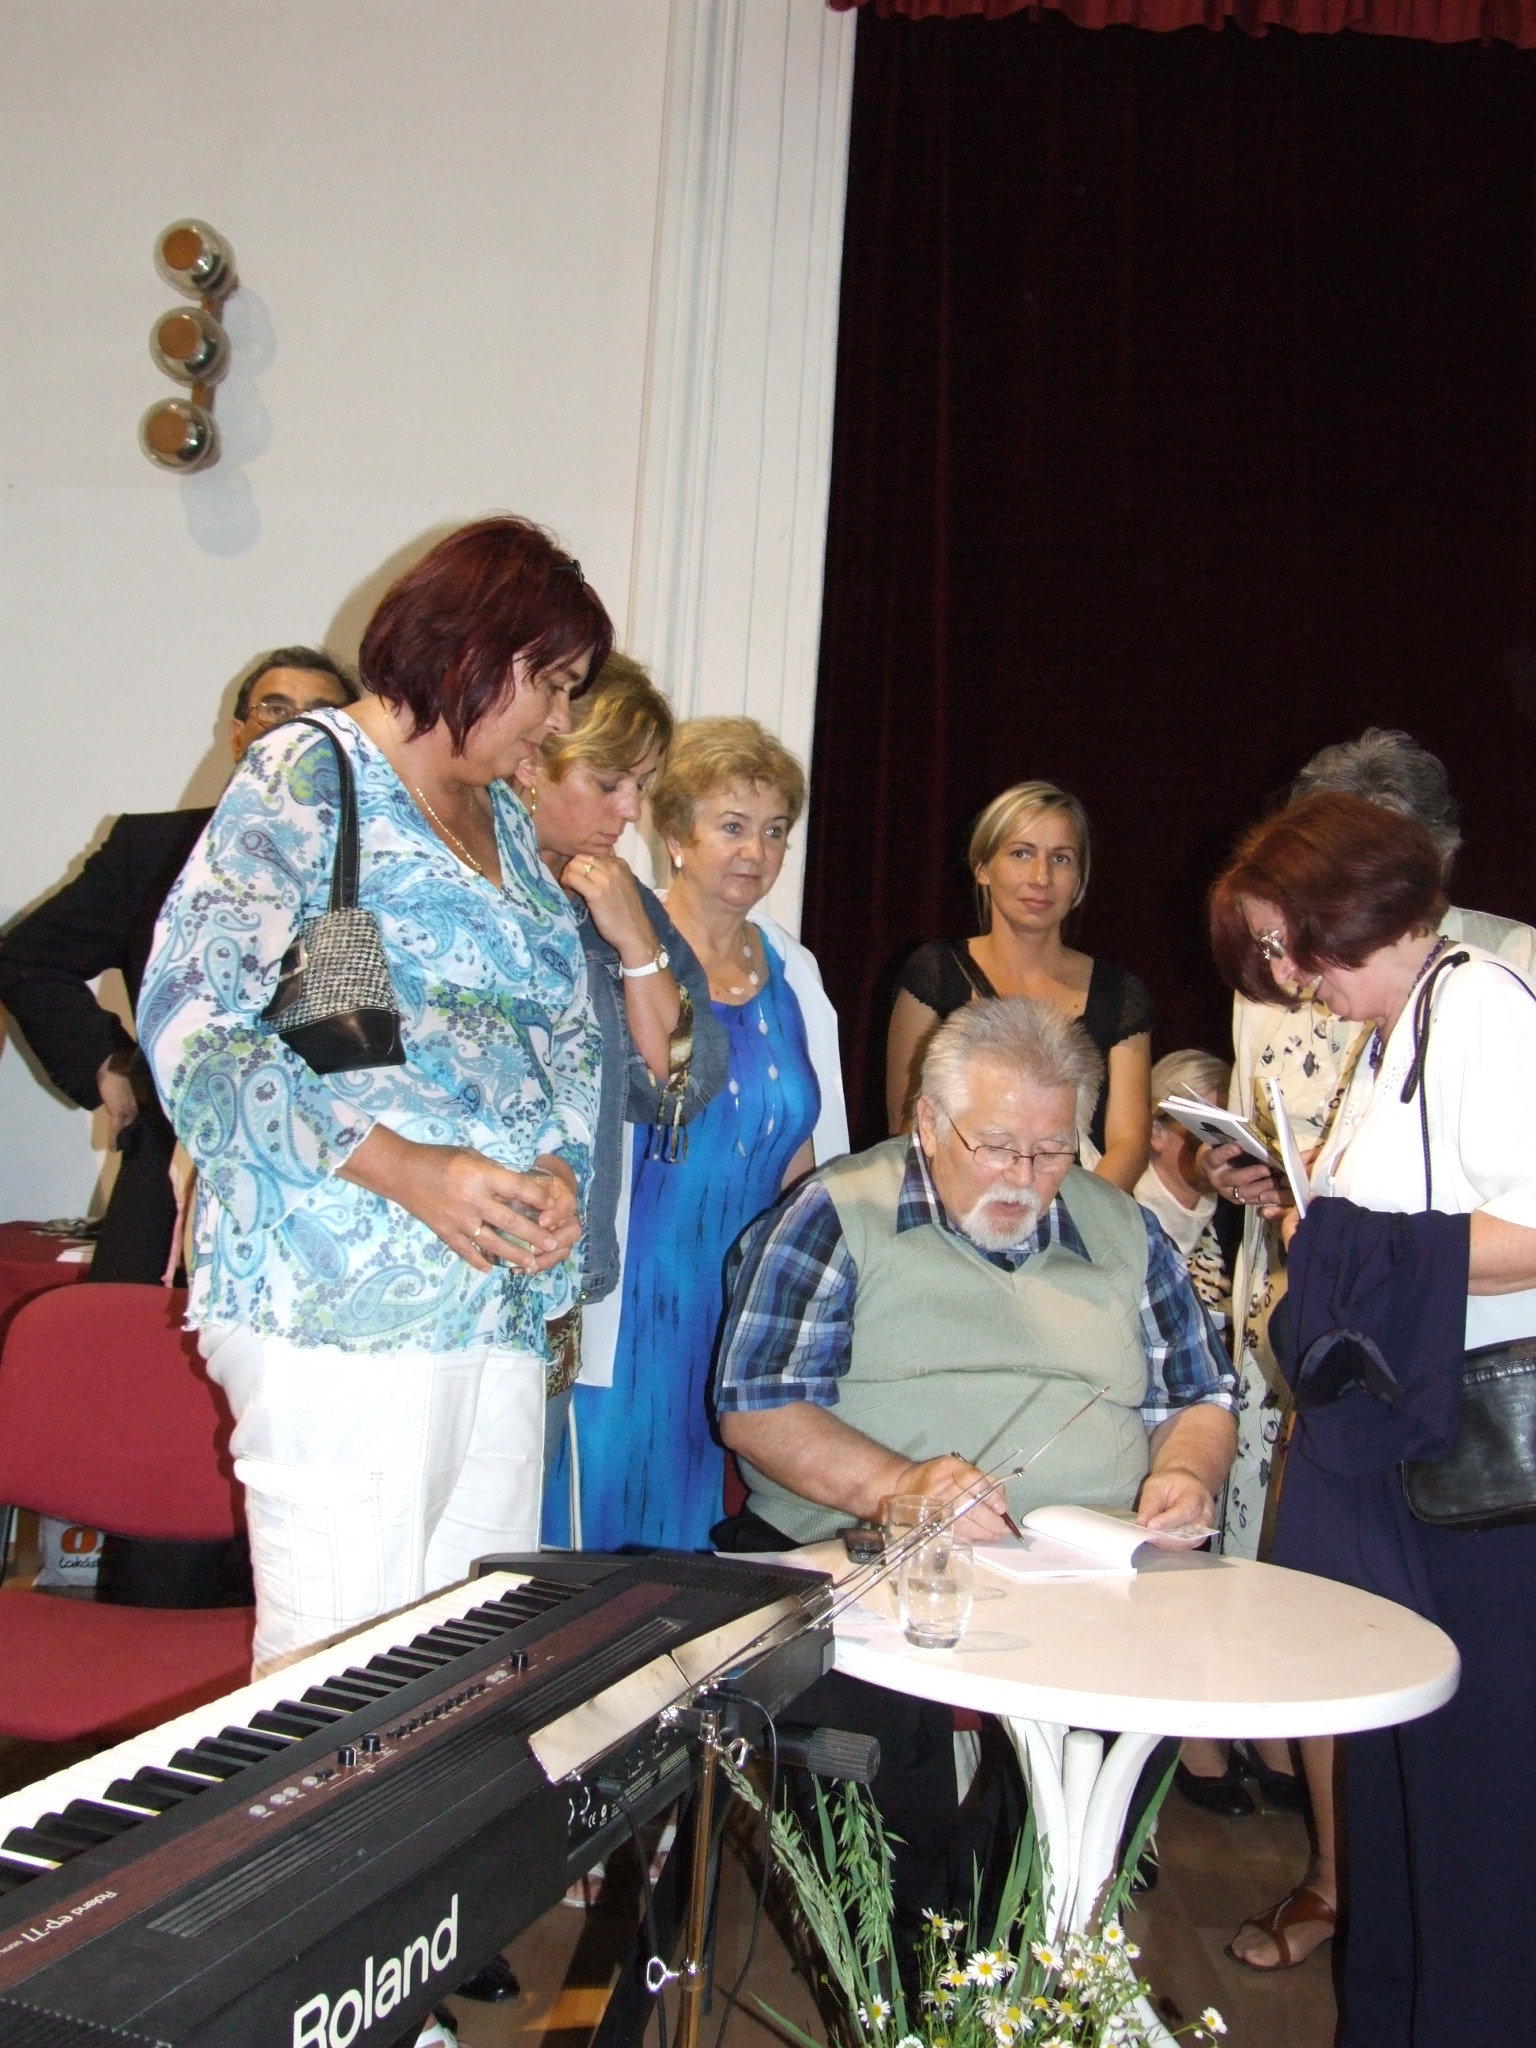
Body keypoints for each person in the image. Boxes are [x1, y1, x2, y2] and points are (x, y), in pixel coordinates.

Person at [141, 517, 611, 1677]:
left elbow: (565, 1030)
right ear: (475, 648)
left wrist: (561, 1168)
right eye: (552, 683)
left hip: (497, 1308)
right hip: (338, 1302)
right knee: (336, 1694)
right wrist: (409, 1168)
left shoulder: (504, 813)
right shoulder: (310, 774)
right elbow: (193, 1024)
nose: (561, 720)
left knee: (466, 1682)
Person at [713, 996, 1236, 1924]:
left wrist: (1186, 1472)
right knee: (884, 1836)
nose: (1024, 1177)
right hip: (870, 1561)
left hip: (1084, 1567)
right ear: (927, 1120)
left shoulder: (1122, 1229)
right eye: (995, 1146)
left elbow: (1200, 1395)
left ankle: (1031, 1947)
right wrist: (899, 1486)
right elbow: (756, 1406)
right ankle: (918, 1968)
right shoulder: (839, 1211)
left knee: (1109, 1762)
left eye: (1052, 1151)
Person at [1203, 729, 1536, 1971]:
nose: (1287, 978)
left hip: (1482, 1486)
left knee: (1470, 1794)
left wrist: (1352, 1244)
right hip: (1417, 1471)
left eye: (1287, 944)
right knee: (1410, 1791)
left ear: (1350, 906)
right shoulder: (1403, 1028)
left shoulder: (1480, 1005)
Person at [566, 716, 847, 1552]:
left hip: (747, 1311)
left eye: (775, 830)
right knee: (606, 1538)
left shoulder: (795, 970)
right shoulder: (615, 946)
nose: (756, 851)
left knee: (713, 1550)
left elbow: (810, 1159)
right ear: (676, 835)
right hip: (629, 1298)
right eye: (732, 826)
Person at [0, 648, 358, 1286]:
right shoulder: (153, 851)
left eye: (321, 716)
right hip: (170, 1169)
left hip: (341, 1177)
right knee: (128, 1345)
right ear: (239, 734)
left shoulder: (380, 866)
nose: (295, 730)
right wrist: (106, 1062)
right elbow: (28, 959)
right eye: (276, 709)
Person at [505, 655, 728, 1529]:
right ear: (534, 758)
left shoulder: (622, 895)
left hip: (555, 1273)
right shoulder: (457, 879)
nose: (630, 810)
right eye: (608, 783)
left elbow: (683, 1085)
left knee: (513, 1539)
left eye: (641, 785)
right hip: (446, 1257)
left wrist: (638, 945)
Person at [887, 780, 1152, 1189]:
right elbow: (910, 1128)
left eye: (1061, 858)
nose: (1041, 877)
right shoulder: (935, 974)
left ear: (1079, 879)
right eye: (1021, 853)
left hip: (1081, 1215)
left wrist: (1068, 1218)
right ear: (982, 867)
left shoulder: (1120, 995)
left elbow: (1129, 1144)